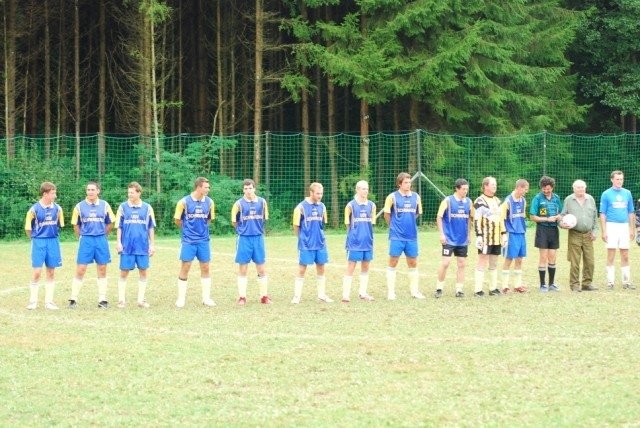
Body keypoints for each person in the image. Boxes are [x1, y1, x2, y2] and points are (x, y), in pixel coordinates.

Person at [68, 181, 116, 308]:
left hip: (101, 240)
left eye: (93, 189)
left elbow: (110, 223)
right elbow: (75, 225)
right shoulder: (79, 206)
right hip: (86, 240)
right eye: (88, 190)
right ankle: (73, 299)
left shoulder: (105, 205)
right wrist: (82, 237)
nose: (90, 192)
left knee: (102, 268)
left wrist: (103, 235)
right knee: (81, 269)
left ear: (98, 191)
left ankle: (102, 299)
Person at [174, 177, 216, 308]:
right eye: (206, 187)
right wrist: (188, 230)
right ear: (198, 187)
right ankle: (181, 299)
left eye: (208, 187)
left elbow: (209, 220)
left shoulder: (209, 202)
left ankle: (206, 299)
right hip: (188, 240)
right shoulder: (183, 202)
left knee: (205, 267)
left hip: (203, 240)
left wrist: (201, 231)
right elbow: (177, 220)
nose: (208, 189)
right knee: (185, 267)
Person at [384, 172, 425, 300]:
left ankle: (414, 291)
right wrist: (394, 226)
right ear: (399, 184)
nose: (408, 184)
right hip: (396, 236)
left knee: (413, 262)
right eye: (406, 182)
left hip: (411, 235)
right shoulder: (392, 197)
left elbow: (417, 213)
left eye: (409, 182)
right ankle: (391, 292)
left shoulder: (416, 197)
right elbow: (386, 214)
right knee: (393, 261)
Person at [115, 182, 156, 308]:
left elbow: (150, 227)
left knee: (143, 271)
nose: (129, 195)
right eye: (128, 192)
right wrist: (118, 242)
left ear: (139, 193)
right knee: (124, 272)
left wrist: (152, 244)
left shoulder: (147, 208)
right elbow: (119, 227)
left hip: (142, 246)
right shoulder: (123, 207)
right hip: (127, 246)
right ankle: (121, 300)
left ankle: (141, 300)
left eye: (132, 192)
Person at [291, 182, 334, 304]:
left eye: (321, 193)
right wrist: (301, 238)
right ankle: (297, 296)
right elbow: (296, 226)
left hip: (320, 243)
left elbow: (322, 225)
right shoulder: (300, 207)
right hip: (306, 244)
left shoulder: (322, 206)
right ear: (311, 193)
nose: (320, 196)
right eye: (317, 193)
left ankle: (321, 295)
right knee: (302, 269)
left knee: (321, 267)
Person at [25, 182, 64, 310]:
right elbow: (28, 229)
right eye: (53, 193)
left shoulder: (58, 209)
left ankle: (49, 302)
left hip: (53, 241)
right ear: (45, 194)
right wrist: (35, 239)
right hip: (39, 241)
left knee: (51, 271)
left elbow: (59, 226)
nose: (55, 195)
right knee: (37, 272)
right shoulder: (33, 210)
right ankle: (33, 301)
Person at [231, 179, 271, 305]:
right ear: (243, 190)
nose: (248, 191)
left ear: (254, 189)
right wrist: (243, 230)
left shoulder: (262, 202)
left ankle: (264, 296)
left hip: (258, 238)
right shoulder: (238, 204)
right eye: (246, 188)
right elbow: (234, 222)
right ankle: (242, 297)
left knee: (261, 268)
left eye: (250, 188)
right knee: (243, 268)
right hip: (244, 238)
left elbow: (264, 219)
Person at [434, 178, 474, 298]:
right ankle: (439, 288)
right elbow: (439, 217)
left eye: (467, 189)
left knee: (462, 263)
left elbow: (470, 219)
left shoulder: (469, 202)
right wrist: (442, 234)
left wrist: (469, 234)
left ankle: (459, 290)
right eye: (463, 189)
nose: (465, 191)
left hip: (462, 239)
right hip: (449, 238)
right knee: (446, 263)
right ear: (457, 189)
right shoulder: (448, 201)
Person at [600, 170, 636, 290]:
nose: (619, 181)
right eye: (617, 179)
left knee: (625, 255)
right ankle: (610, 282)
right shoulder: (606, 194)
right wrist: (604, 231)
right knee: (611, 254)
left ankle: (626, 282)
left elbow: (631, 212)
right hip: (611, 226)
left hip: (624, 226)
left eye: (621, 179)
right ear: (612, 180)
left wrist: (632, 229)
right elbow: (602, 214)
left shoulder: (627, 193)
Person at [560, 180, 598, 292]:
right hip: (574, 234)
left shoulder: (590, 199)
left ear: (585, 188)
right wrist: (562, 224)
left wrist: (594, 231)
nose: (581, 189)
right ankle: (574, 285)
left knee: (590, 261)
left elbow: (595, 217)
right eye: (578, 187)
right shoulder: (568, 200)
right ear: (573, 189)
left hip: (588, 235)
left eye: (582, 187)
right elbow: (562, 215)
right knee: (575, 261)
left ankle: (587, 283)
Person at [342, 180, 376, 303]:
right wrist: (353, 236)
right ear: (357, 190)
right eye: (363, 189)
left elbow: (372, 223)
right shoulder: (350, 206)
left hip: (367, 241)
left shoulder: (372, 205)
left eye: (367, 188)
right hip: (354, 242)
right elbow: (348, 225)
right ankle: (345, 295)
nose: (365, 191)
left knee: (365, 266)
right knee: (351, 266)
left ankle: (363, 293)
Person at [473, 176, 506, 297]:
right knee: (482, 261)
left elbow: (501, 219)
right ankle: (478, 290)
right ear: (485, 186)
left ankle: (493, 288)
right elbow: (476, 220)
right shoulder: (479, 201)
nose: (495, 186)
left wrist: (504, 234)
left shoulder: (497, 201)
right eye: (492, 184)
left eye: (495, 184)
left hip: (496, 238)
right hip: (485, 238)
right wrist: (479, 235)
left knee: (494, 262)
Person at [530, 176, 562, 292]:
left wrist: (559, 217)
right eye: (544, 189)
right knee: (543, 256)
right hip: (542, 229)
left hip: (553, 230)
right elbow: (532, 216)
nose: (546, 191)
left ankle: (551, 284)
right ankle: (542, 284)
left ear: (552, 188)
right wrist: (547, 219)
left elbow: (561, 213)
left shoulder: (556, 198)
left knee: (552, 256)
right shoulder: (537, 198)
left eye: (548, 189)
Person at [500, 179, 530, 293]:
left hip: (521, 233)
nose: (526, 191)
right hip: (511, 233)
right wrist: (503, 234)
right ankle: (504, 286)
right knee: (509, 259)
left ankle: (518, 285)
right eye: (525, 189)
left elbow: (522, 217)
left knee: (519, 259)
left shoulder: (523, 200)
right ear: (519, 188)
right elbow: (501, 219)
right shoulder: (507, 201)